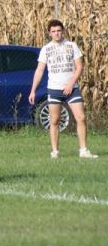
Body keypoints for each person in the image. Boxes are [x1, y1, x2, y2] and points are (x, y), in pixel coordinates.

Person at [28, 19, 98, 159]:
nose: (56, 34)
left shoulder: (72, 46)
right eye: (53, 31)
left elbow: (79, 67)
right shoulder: (46, 49)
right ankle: (55, 151)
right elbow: (40, 71)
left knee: (81, 117)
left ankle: (83, 150)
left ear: (63, 31)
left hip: (72, 89)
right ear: (49, 33)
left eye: (59, 31)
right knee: (54, 120)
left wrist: (71, 83)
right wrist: (33, 90)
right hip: (54, 89)